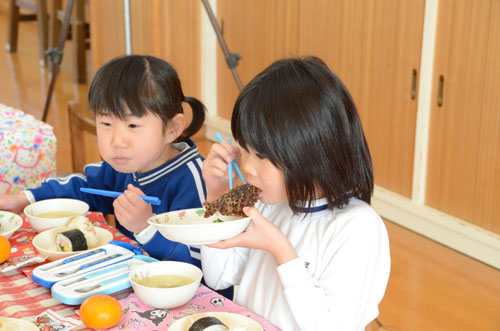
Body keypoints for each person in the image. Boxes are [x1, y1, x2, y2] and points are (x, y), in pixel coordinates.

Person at [201, 56, 391, 330]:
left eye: (262, 155)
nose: (249, 168)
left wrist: (281, 250)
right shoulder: (269, 203)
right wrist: (217, 196)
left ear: (310, 150)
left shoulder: (358, 227)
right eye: (245, 150)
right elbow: (218, 277)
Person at [0, 55, 206, 265]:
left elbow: (202, 264)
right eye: (106, 123)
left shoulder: (195, 180)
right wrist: (25, 199)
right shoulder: (126, 164)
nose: (117, 141)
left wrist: (145, 229)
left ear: (172, 129)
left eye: (133, 126)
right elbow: (86, 188)